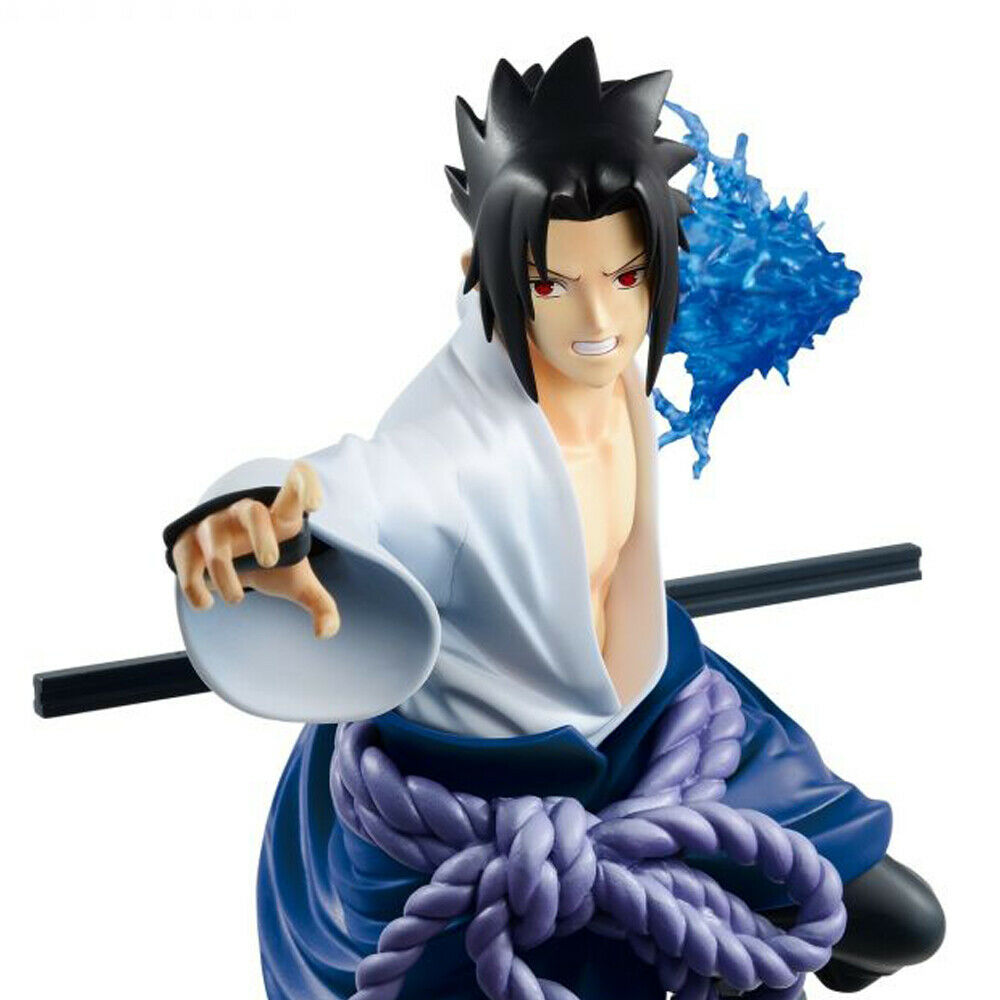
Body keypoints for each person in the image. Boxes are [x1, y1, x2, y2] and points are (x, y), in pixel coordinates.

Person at [165, 38, 944, 999]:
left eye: (624, 276)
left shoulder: (616, 367)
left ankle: (765, 934)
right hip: (491, 790)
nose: (598, 322)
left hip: (665, 718)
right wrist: (252, 521)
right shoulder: (457, 447)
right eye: (551, 284)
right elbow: (360, 483)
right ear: (485, 273)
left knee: (905, 927)